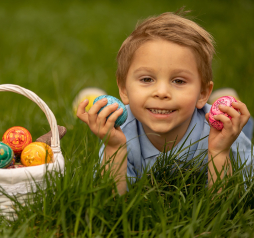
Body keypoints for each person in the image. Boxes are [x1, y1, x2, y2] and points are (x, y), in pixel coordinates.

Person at [76, 10, 252, 195]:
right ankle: (98, 97)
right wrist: (114, 148)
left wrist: (219, 152)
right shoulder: (118, 133)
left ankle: (221, 103)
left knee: (244, 125)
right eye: (146, 79)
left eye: (179, 81)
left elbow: (232, 207)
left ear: (201, 93)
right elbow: (113, 205)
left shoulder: (226, 134)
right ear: (124, 90)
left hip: (220, 124)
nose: (161, 93)